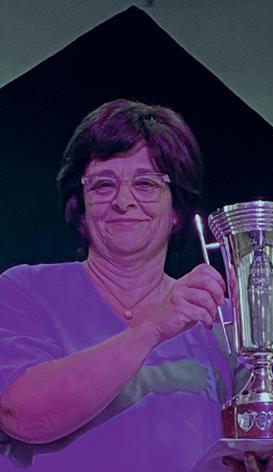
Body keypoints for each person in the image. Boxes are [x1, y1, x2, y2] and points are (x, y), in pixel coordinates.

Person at [0, 99, 232, 471]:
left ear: (176, 210)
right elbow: (22, 416)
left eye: (146, 184)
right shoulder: (24, 289)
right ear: (81, 207)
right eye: (104, 185)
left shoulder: (219, 317)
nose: (123, 201)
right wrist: (153, 329)